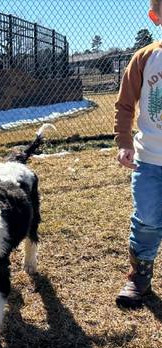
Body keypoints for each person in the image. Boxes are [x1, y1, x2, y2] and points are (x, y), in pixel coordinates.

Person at [114, 0, 162, 309]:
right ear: (156, 16)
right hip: (149, 160)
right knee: (146, 219)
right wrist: (124, 141)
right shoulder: (146, 58)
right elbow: (126, 104)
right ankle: (140, 275)